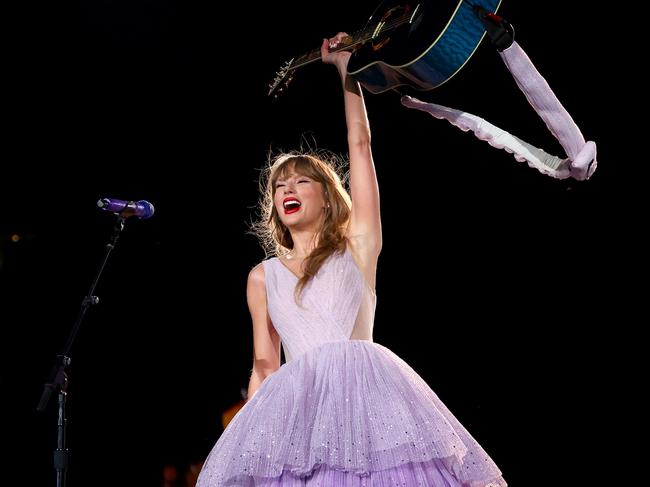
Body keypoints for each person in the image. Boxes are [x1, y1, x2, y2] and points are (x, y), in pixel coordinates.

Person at [196, 32, 506, 486]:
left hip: (371, 408)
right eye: (280, 186)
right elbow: (264, 364)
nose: (288, 190)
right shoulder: (262, 277)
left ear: (327, 197)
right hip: (302, 422)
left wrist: (347, 73)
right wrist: (244, 449)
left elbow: (359, 146)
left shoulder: (357, 245)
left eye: (301, 182)